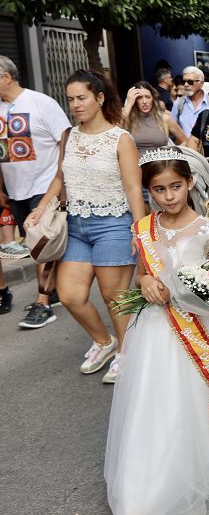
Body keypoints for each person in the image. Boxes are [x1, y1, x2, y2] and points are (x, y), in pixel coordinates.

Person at [105, 148, 209, 515]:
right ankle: (154, 480)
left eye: (175, 186)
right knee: (158, 402)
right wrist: (145, 280)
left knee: (196, 396)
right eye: (159, 190)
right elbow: (143, 271)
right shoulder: (144, 228)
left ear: (190, 183)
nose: (169, 196)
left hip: (202, 330)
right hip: (157, 331)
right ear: (149, 192)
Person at [26, 70, 146, 383]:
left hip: (114, 224)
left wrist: (139, 230)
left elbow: (134, 189)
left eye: (82, 98)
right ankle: (105, 342)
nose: (76, 105)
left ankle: (127, 355)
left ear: (99, 98)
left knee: (114, 296)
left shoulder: (120, 139)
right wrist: (40, 209)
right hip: (75, 226)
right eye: (71, 99)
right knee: (69, 295)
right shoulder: (69, 136)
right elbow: (59, 178)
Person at [0, 55, 71, 328]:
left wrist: (60, 181)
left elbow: (65, 141)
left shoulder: (41, 103)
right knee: (34, 246)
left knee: (43, 245)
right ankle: (52, 292)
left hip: (44, 187)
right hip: (15, 190)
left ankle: (43, 304)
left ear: (7, 77)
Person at [123, 82, 187, 157]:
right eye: (139, 98)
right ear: (134, 100)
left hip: (161, 163)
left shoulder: (165, 119)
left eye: (148, 97)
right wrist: (129, 103)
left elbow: (185, 141)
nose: (144, 102)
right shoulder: (129, 118)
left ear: (153, 98)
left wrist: (173, 156)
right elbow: (115, 132)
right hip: (136, 163)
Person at [170, 65, 209, 137]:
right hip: (185, 143)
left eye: (190, 82)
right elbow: (172, 129)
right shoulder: (179, 103)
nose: (186, 85)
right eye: (184, 81)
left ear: (201, 83)